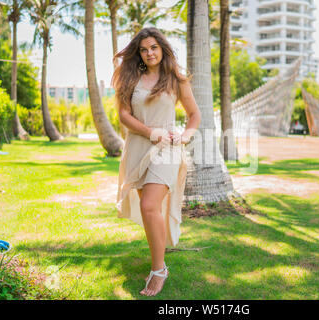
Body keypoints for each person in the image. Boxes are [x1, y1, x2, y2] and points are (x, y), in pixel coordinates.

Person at [112, 27, 201, 297]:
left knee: (150, 205)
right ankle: (157, 261)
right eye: (143, 49)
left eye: (153, 47)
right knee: (150, 211)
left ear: (162, 49)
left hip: (167, 149)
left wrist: (186, 135)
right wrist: (150, 132)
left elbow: (194, 115)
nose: (149, 53)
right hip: (139, 146)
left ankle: (159, 269)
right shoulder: (131, 77)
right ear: (138, 53)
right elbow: (124, 116)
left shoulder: (176, 79)